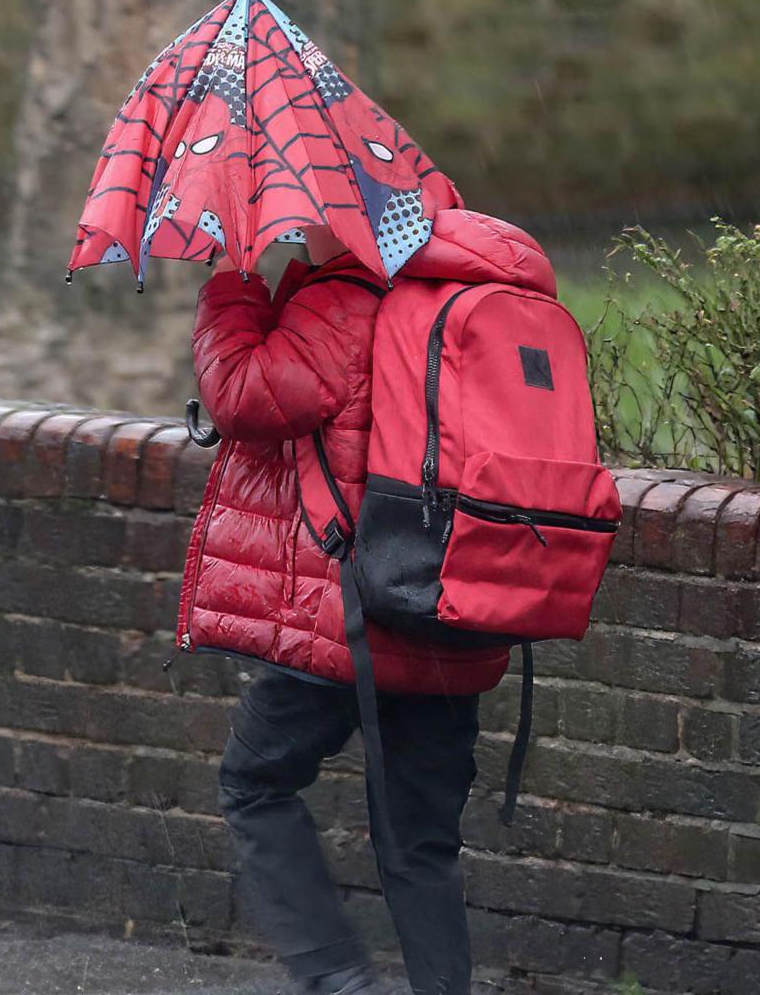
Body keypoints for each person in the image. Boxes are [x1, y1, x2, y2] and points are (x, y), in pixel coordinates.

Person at [183, 212, 549, 995]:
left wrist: (234, 279)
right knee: (421, 843)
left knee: (254, 780)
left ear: (332, 217)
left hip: (350, 605)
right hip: (457, 594)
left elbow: (245, 396)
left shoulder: (348, 297)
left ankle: (339, 982)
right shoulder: (464, 289)